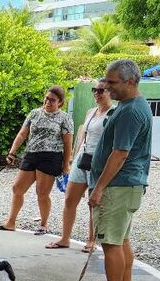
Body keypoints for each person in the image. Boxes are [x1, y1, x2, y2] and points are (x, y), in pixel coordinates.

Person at [80, 59, 152, 281]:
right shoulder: (130, 106)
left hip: (119, 186)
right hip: (126, 185)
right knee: (121, 240)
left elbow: (120, 153)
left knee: (110, 241)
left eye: (112, 82)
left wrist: (98, 188)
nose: (107, 87)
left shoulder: (131, 110)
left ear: (130, 81)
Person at [46, 80, 115, 252]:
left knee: (93, 202)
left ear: (110, 92)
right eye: (95, 90)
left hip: (98, 161)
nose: (97, 93)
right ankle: (65, 238)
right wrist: (72, 159)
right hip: (82, 158)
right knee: (70, 199)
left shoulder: (114, 113)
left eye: (101, 90)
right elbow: (82, 136)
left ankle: (91, 240)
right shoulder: (91, 112)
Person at [0, 86, 73, 235]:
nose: (48, 101)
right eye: (47, 98)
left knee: (42, 193)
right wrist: (12, 152)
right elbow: (22, 134)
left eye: (53, 100)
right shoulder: (34, 113)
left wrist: (66, 165)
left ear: (60, 102)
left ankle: (43, 224)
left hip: (51, 157)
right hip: (31, 154)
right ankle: (11, 222)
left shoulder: (64, 117)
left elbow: (68, 143)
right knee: (17, 189)